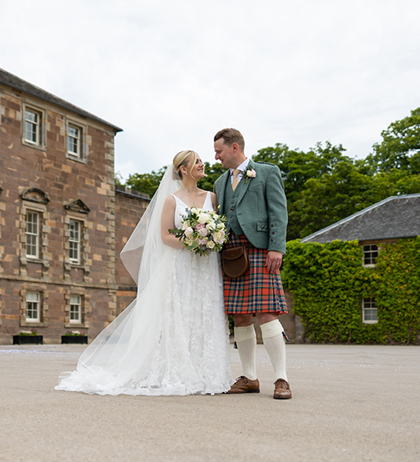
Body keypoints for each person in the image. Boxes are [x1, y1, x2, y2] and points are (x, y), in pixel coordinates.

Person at [55, 150, 233, 396]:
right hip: (180, 265)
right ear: (184, 169)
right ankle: (179, 372)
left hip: (206, 267)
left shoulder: (212, 198)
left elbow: (219, 228)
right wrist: (194, 240)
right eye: (197, 161)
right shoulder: (172, 200)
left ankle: (207, 373)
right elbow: (165, 236)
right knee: (179, 316)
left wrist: (211, 238)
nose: (203, 164)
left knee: (205, 312)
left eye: (202, 161)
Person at [212, 128, 292, 399]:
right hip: (232, 254)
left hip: (260, 251)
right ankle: (250, 377)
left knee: (267, 313)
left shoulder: (267, 172)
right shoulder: (220, 183)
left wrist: (276, 248)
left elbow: (279, 212)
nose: (216, 157)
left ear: (235, 148)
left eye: (219, 151)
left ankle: (281, 378)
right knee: (240, 315)